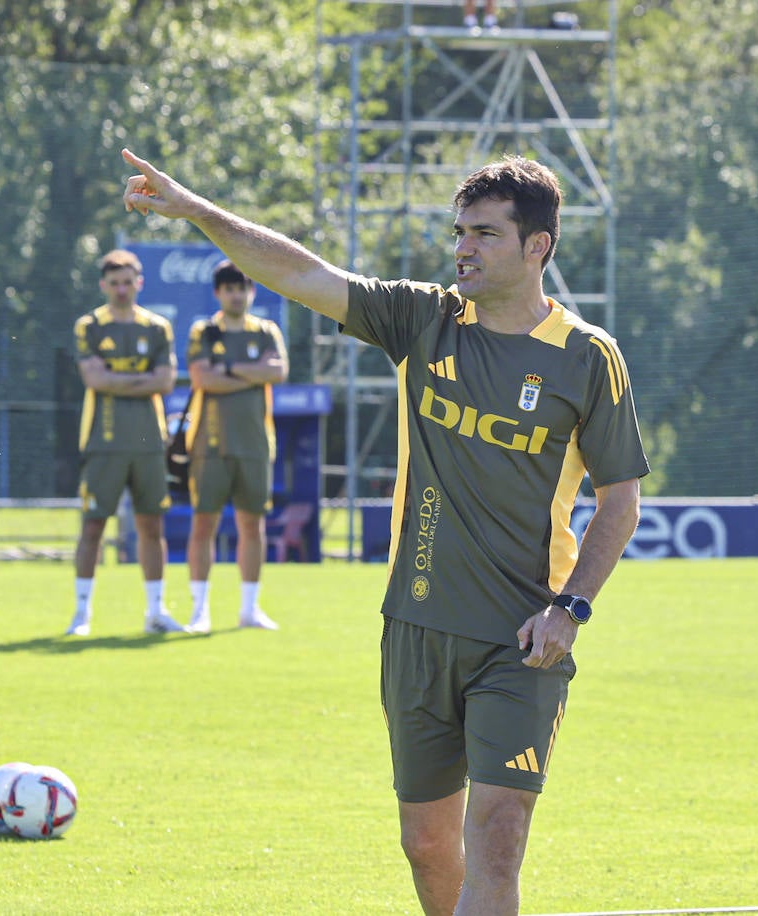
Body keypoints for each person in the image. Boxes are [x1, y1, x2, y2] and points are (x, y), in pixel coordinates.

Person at [122, 148, 645, 914]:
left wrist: (570, 608)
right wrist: (199, 210)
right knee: (429, 849)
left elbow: (619, 501)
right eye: (459, 231)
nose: (463, 246)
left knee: (496, 841)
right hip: (417, 626)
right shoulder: (424, 318)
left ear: (538, 247)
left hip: (523, 639)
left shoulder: (586, 358)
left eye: (486, 234)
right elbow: (301, 275)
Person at [66, 249, 185, 636]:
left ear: (140, 283)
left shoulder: (157, 327)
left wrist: (118, 380)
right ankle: (82, 614)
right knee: (94, 526)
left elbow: (166, 380)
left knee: (151, 526)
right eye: (114, 283)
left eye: (127, 281)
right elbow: (94, 380)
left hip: (149, 442)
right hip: (103, 440)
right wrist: (140, 380)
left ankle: (155, 611)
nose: (121, 289)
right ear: (104, 285)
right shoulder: (90, 326)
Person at [183, 260, 289, 633]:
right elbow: (202, 378)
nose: (236, 294)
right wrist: (247, 371)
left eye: (242, 287)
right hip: (209, 445)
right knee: (203, 525)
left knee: (251, 526)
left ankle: (249, 609)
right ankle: (199, 611)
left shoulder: (265, 331)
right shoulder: (205, 331)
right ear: (218, 293)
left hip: (256, 445)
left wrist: (226, 369)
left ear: (252, 291)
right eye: (229, 288)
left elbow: (277, 372)